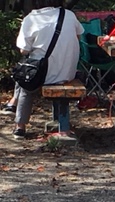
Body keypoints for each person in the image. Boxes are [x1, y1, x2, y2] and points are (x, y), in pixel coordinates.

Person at [12, 0, 83, 139]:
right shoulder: (68, 15)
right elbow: (79, 36)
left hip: (43, 74)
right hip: (67, 73)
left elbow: (23, 51)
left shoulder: (31, 19)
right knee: (25, 74)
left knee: (24, 79)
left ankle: (20, 125)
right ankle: (12, 104)